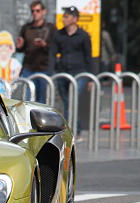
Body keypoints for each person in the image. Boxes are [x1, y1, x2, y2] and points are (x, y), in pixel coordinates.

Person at [48, 6, 92, 134]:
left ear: (74, 19)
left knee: (73, 100)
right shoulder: (58, 34)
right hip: (63, 72)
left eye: (66, 16)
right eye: (64, 16)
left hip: (79, 73)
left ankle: (70, 130)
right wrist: (51, 72)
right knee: (67, 102)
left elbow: (89, 57)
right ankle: (75, 129)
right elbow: (52, 54)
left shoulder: (83, 36)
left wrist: (90, 78)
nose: (64, 18)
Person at [16, 1, 57, 103]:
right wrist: (19, 46)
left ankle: (39, 119)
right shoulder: (26, 28)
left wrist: (44, 45)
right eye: (33, 11)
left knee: (41, 99)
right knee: (27, 98)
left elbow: (55, 48)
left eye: (37, 11)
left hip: (44, 67)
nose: (35, 13)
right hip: (29, 67)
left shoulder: (50, 28)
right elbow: (22, 48)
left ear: (44, 12)